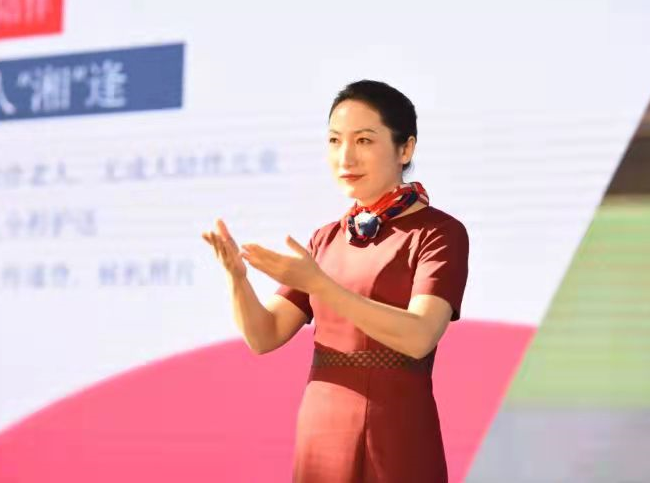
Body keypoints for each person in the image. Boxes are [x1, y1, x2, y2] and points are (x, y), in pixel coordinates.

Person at [201, 80, 469, 482]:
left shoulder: (438, 232)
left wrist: (321, 285)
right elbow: (264, 335)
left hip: (397, 430)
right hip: (322, 428)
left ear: (405, 149)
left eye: (364, 140)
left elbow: (419, 335)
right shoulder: (325, 238)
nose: (346, 157)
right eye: (334, 140)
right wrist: (237, 279)